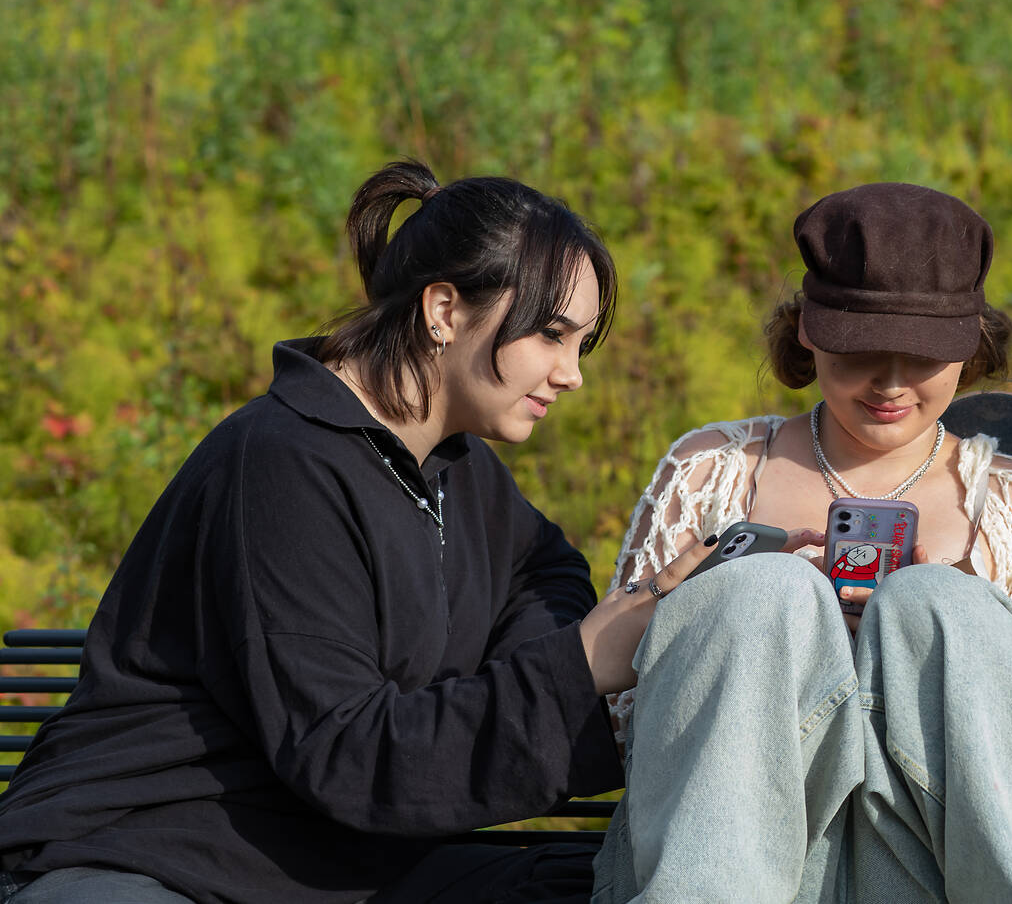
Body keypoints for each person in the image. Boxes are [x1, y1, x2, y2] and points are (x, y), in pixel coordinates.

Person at [0, 161, 726, 903]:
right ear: (443, 310)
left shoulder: (455, 466)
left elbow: (544, 572)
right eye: (551, 334)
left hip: (338, 863)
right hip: (153, 853)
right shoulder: (282, 464)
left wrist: (522, 671)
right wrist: (577, 666)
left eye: (580, 344)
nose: (572, 374)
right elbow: (343, 752)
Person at [591, 182, 1012, 902]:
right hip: (730, 855)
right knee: (768, 592)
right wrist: (765, 638)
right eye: (860, 350)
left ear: (969, 345)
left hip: (942, 868)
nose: (891, 383)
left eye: (923, 356)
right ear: (809, 332)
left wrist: (929, 654)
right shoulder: (710, 471)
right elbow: (628, 720)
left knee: (937, 604)